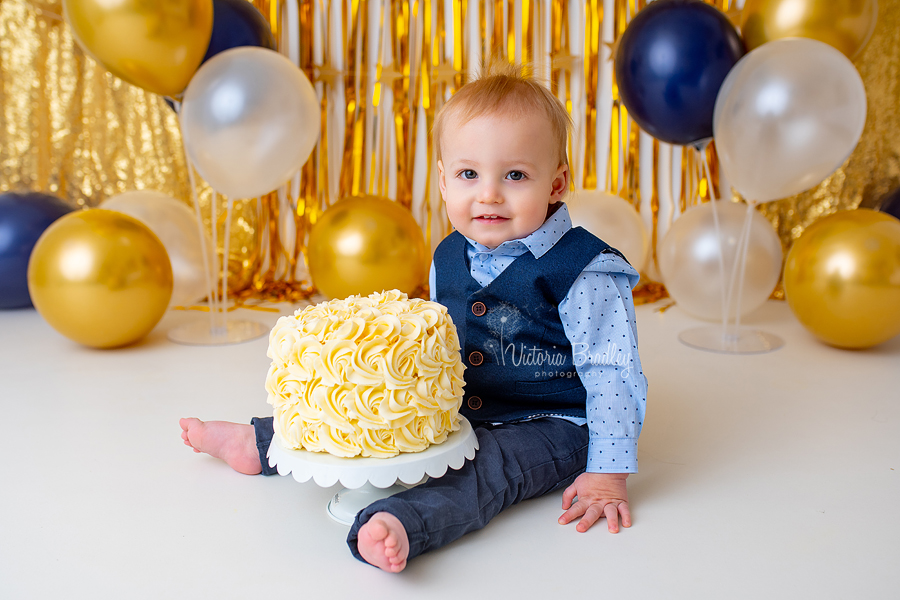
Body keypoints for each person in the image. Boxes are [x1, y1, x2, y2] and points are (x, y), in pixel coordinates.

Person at [180, 61, 647, 574]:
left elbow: (613, 372)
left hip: (552, 423)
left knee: (491, 468)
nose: (488, 193)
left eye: (515, 175)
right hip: (459, 403)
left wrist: (609, 470)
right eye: (469, 174)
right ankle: (263, 442)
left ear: (556, 184)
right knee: (369, 409)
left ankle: (404, 523)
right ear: (444, 181)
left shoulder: (584, 270)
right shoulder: (448, 254)